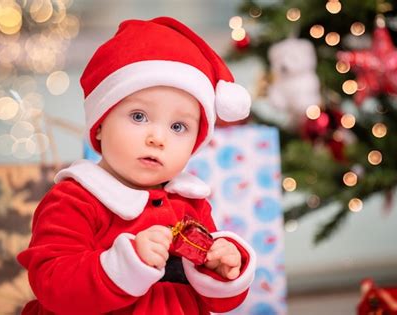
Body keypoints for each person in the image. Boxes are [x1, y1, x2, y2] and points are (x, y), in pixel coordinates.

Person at [17, 17, 256, 315]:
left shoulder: (190, 203)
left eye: (179, 127)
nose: (157, 138)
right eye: (139, 116)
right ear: (101, 123)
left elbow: (219, 301)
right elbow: (52, 284)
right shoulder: (74, 199)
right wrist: (126, 264)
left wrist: (222, 268)